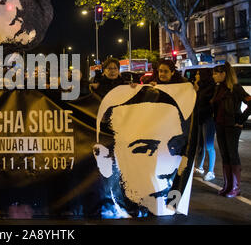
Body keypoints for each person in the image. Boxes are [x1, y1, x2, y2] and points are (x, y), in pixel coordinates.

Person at [94, 84, 196, 217]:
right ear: (104, 158)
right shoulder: (100, 211)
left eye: (174, 146)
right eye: (145, 148)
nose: (166, 170)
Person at [211, 62, 251, 198]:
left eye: (216, 73)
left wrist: (241, 119)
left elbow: (250, 102)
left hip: (231, 126)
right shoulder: (218, 88)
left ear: (224, 74)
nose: (214, 76)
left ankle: (235, 187)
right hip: (219, 125)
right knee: (225, 155)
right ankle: (227, 185)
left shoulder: (236, 88)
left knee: (233, 155)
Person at [193, 69, 216, 181]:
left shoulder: (211, 88)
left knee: (209, 145)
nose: (196, 75)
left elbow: (207, 104)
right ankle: (200, 166)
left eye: (198, 73)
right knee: (200, 144)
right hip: (200, 118)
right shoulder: (199, 86)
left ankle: (211, 171)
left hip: (208, 119)